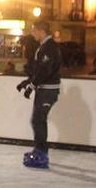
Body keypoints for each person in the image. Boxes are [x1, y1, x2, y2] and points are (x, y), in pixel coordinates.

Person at [17, 19, 62, 169]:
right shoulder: (43, 47)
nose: (32, 33)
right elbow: (39, 70)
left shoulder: (49, 48)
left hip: (48, 90)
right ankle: (40, 150)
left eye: (34, 30)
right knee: (37, 120)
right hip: (44, 89)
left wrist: (32, 85)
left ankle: (41, 153)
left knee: (38, 120)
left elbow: (45, 70)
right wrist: (28, 82)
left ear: (41, 31)